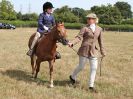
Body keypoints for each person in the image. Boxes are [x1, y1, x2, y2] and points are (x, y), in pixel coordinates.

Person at [68, 13, 106, 92]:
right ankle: (72, 76)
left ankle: (91, 86)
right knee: (81, 66)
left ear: (94, 20)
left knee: (94, 68)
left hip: (94, 51)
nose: (88, 20)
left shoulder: (99, 29)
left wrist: (103, 51)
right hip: (84, 50)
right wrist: (72, 43)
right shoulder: (84, 28)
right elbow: (79, 38)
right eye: (87, 18)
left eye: (90, 18)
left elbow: (101, 42)